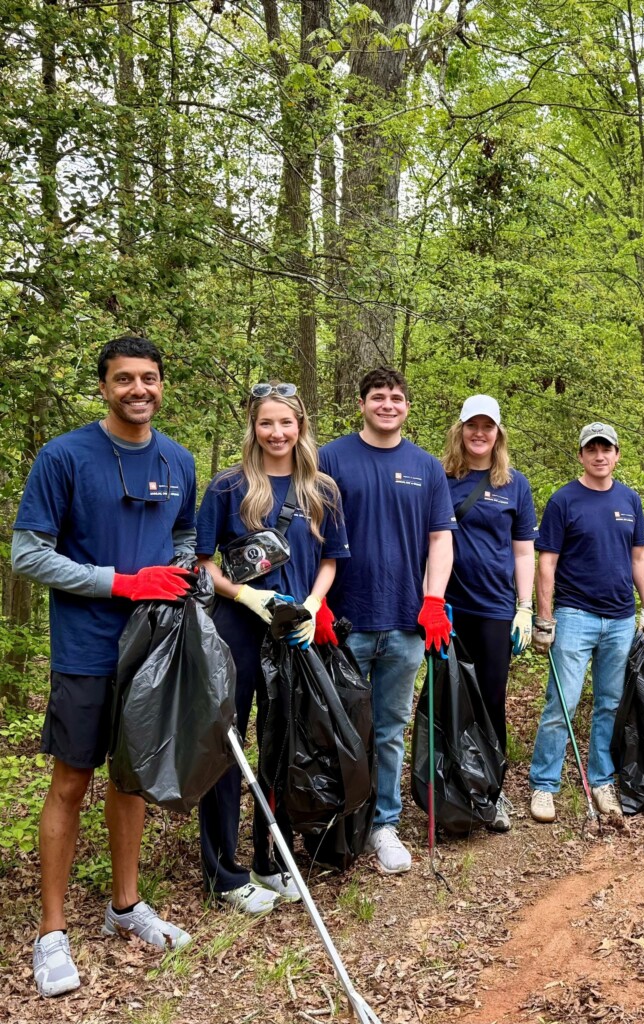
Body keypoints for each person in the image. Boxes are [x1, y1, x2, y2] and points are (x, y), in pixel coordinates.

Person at [12, 336, 197, 997]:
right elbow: (28, 555)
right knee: (71, 782)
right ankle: (52, 932)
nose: (138, 390)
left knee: (131, 779)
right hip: (87, 647)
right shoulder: (65, 457)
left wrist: (174, 576)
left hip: (152, 651)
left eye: (149, 378)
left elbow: (184, 539)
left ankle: (126, 907)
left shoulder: (178, 460)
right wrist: (122, 583)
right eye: (124, 380)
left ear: (161, 385)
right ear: (104, 387)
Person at [195, 382, 347, 912]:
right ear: (253, 428)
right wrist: (243, 594)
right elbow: (201, 560)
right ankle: (224, 871)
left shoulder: (321, 489)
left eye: (286, 422)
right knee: (227, 747)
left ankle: (269, 857)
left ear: (301, 425)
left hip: (293, 632)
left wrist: (310, 604)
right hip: (236, 631)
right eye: (266, 423)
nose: (277, 432)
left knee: (282, 748)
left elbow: (331, 560)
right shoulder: (228, 487)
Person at [319, 367, 456, 874]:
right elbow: (312, 532)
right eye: (378, 397)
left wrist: (434, 600)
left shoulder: (426, 467)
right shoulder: (331, 458)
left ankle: (384, 825)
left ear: (407, 407)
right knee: (337, 727)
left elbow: (440, 539)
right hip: (344, 623)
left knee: (389, 729)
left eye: (397, 398)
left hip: (405, 622)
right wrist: (321, 602)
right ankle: (336, 820)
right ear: (361, 404)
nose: (388, 404)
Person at [528, 423, 644, 824]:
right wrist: (543, 617)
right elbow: (545, 562)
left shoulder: (629, 500)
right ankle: (544, 785)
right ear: (581, 455)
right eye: (592, 449)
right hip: (574, 615)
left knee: (609, 704)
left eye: (607, 449)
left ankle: (602, 779)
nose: (600, 456)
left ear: (617, 454)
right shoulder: (564, 500)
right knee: (561, 703)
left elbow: (639, 557)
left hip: (619, 618)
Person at [441, 395, 537, 832]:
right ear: (460, 430)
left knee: (491, 701)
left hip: (496, 609)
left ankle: (492, 792)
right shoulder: (440, 478)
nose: (480, 433)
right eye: (472, 425)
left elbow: (523, 551)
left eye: (488, 426)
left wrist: (525, 606)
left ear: (499, 433)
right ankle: (448, 790)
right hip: (448, 608)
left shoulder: (515, 484)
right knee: (448, 699)